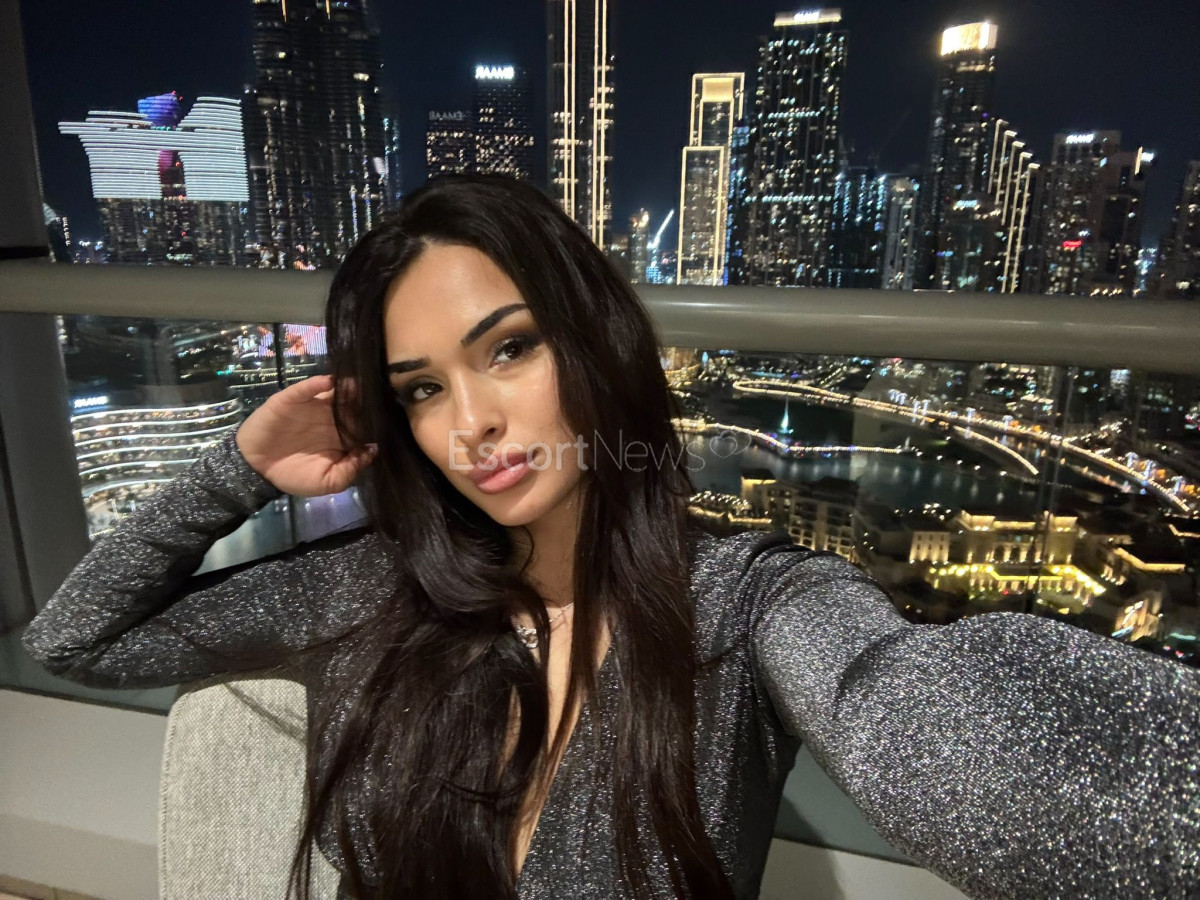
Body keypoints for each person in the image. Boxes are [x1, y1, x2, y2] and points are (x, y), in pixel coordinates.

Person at [21, 174, 1200, 900]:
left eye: (509, 348)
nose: (471, 423)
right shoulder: (380, 585)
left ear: (591, 341)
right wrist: (237, 466)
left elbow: (909, 713)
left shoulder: (745, 606)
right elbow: (79, 639)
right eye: (421, 388)